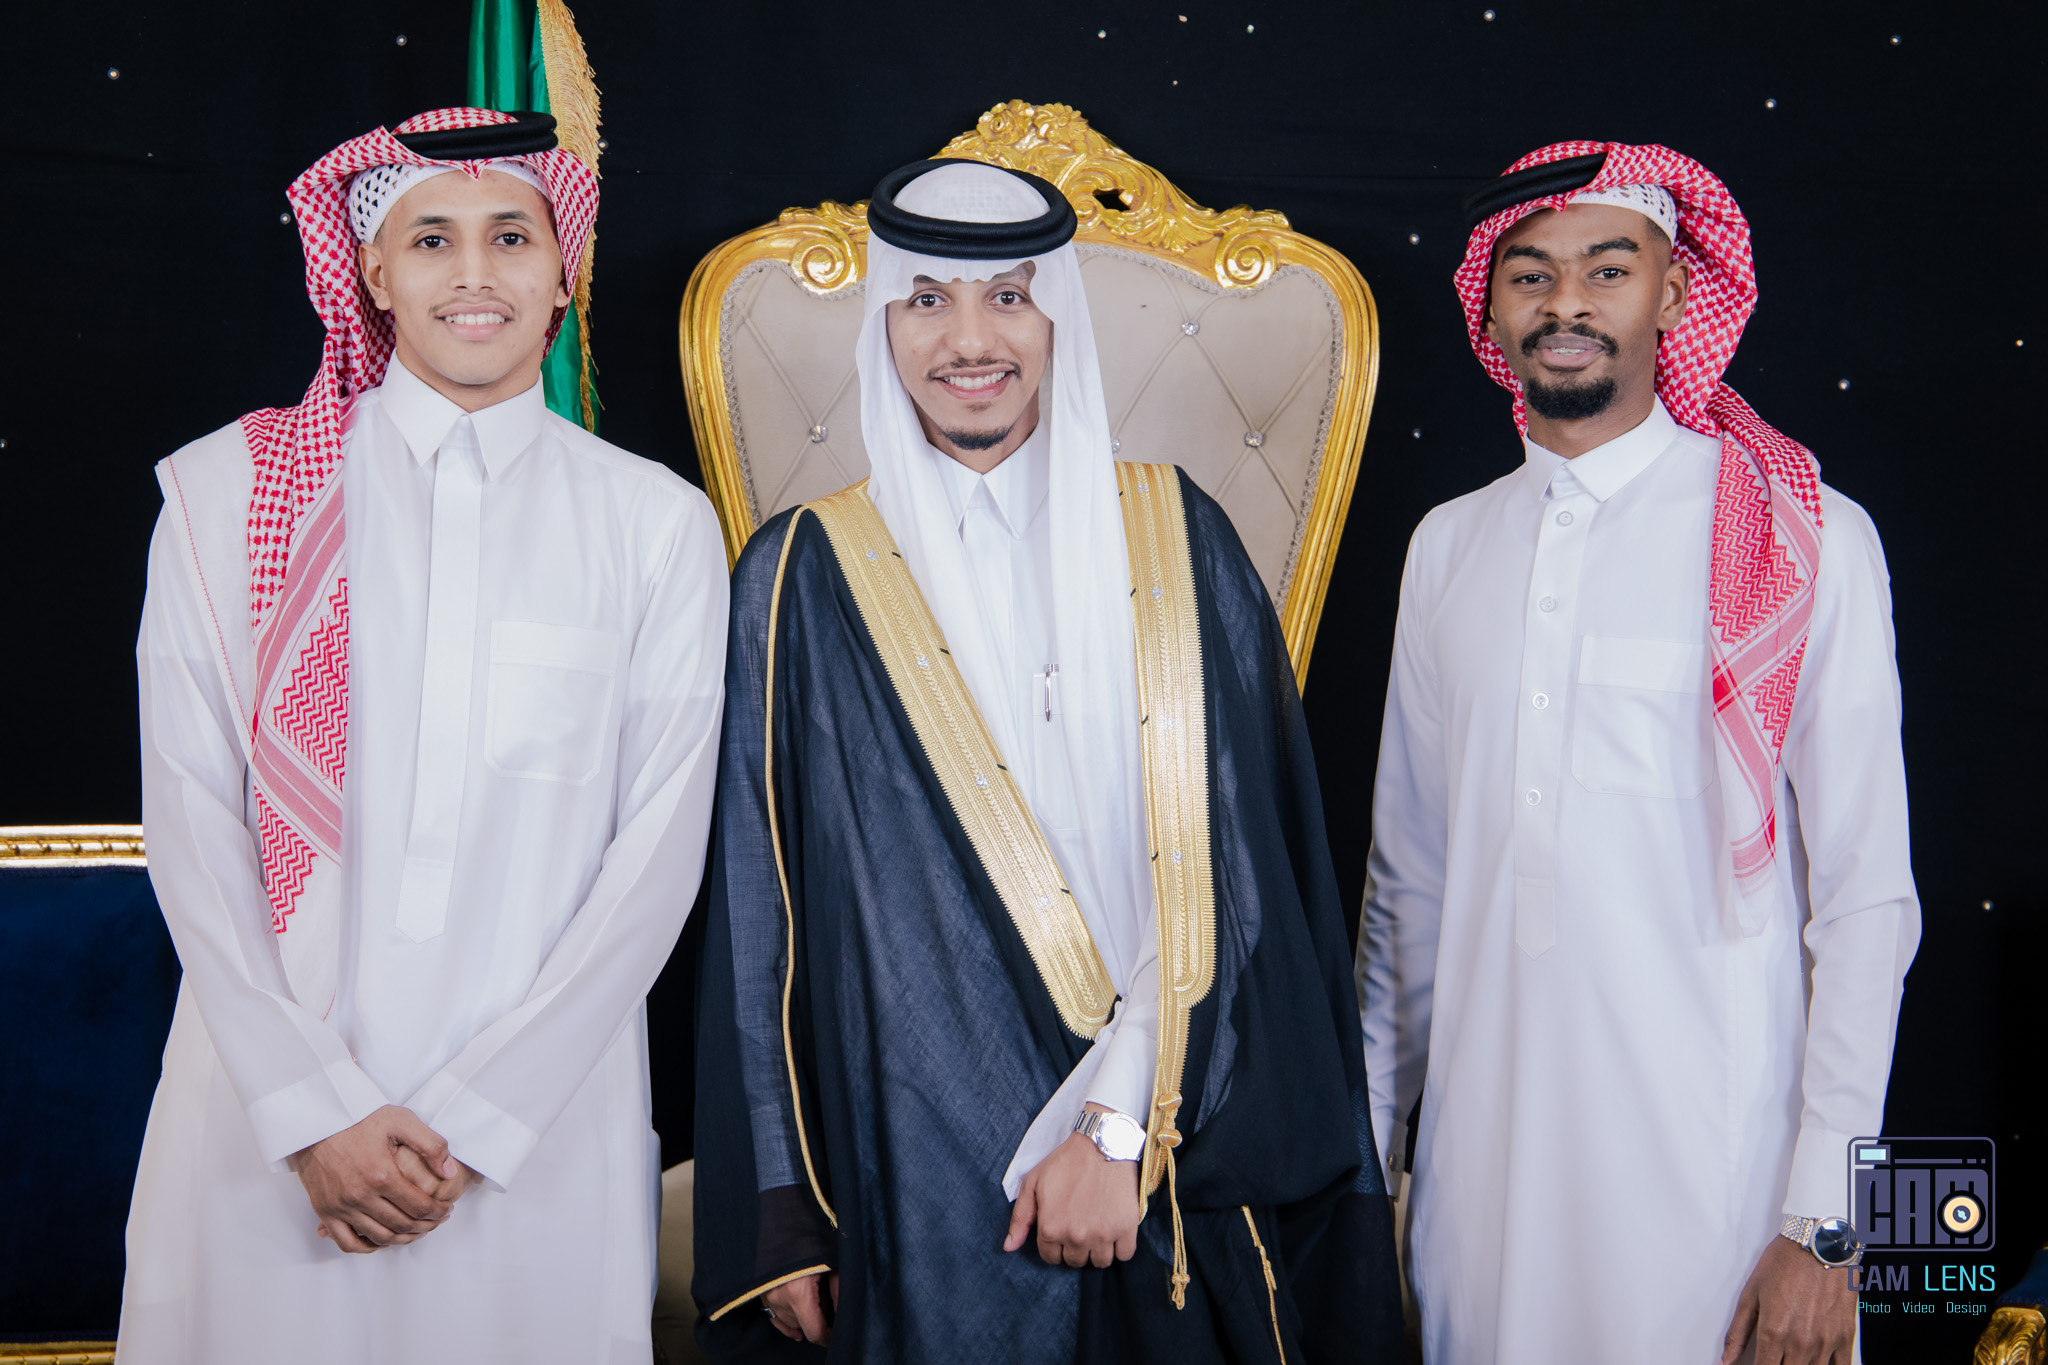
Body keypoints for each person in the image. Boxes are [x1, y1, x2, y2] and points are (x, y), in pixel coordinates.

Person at [692, 158, 1401, 1362]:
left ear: (1056, 317)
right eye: (926, 301)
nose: (970, 340)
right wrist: (780, 1220)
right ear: (882, 326)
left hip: (1170, 1148)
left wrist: (1118, 1128)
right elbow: (763, 919)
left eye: (1008, 298)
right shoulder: (799, 572)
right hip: (909, 1170)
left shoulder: (1175, 535)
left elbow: (1240, 879)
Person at [121, 108, 727, 1363]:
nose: (472, 273)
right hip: (266, 1133)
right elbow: (188, 818)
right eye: (430, 238)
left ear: (562, 273)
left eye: (511, 236)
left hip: (534, 1142)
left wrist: (480, 1121)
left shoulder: (653, 526)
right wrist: (311, 1113)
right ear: (373, 274)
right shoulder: (227, 495)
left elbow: (654, 864)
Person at [1356, 141, 1919, 1364]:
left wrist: (1828, 1228)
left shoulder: (1797, 534)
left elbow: (1866, 902)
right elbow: (1407, 890)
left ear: (1672, 295)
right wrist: (1363, 1171)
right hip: (1476, 1192)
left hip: (1720, 1199)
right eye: (1529, 274)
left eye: (1606, 270)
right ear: (1489, 308)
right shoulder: (1447, 545)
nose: (1565, 304)